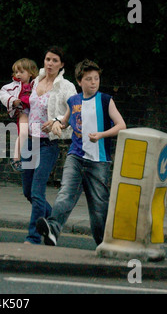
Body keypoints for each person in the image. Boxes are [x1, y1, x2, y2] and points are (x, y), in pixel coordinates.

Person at [36, 59, 127, 246]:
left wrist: (102, 135)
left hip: (99, 160)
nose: (93, 82)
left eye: (96, 78)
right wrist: (54, 124)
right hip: (76, 156)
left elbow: (121, 125)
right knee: (65, 193)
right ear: (79, 82)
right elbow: (65, 121)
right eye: (88, 79)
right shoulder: (74, 100)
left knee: (99, 207)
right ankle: (53, 229)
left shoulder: (105, 100)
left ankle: (104, 244)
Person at [21, 46, 77, 245]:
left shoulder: (66, 86)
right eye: (47, 59)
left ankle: (33, 238)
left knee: (37, 191)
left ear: (61, 64)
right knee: (27, 191)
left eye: (55, 60)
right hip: (30, 141)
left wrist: (55, 120)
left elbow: (75, 110)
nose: (50, 63)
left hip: (48, 144)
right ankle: (52, 222)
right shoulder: (36, 81)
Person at [0, 58, 39, 172]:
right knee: (24, 132)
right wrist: (13, 100)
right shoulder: (13, 86)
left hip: (36, 114)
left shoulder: (36, 85)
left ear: (31, 73)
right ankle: (15, 158)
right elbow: (2, 93)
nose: (18, 74)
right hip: (23, 112)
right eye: (16, 72)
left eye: (22, 72)